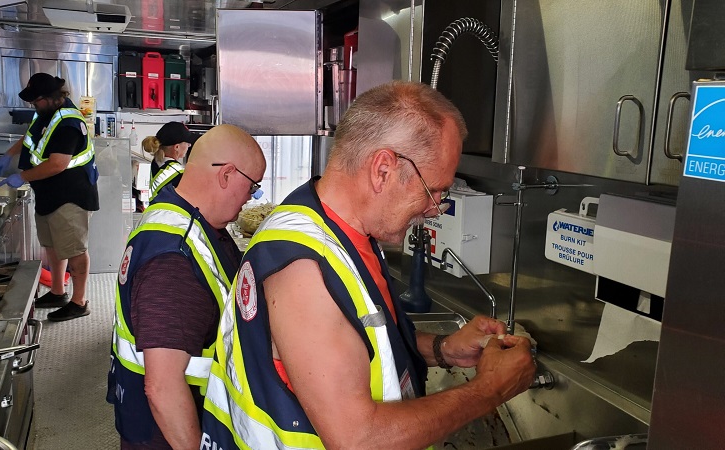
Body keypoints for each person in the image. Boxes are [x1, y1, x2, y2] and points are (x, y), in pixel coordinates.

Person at [200, 81, 536, 449]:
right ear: (383, 170)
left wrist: (443, 348)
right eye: (433, 189)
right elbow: (359, 439)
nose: (437, 206)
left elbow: (357, 352)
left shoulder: (341, 230)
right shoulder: (303, 271)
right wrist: (489, 390)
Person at [107, 124, 266, 449]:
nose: (252, 198)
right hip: (170, 433)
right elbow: (163, 387)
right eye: (253, 186)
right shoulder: (175, 261)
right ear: (227, 175)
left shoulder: (174, 213)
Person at [0, 73, 99, 322]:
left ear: (53, 98)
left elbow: (57, 164)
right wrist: (9, 154)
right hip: (48, 191)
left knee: (74, 248)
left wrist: (23, 177)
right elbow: (31, 135)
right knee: (52, 245)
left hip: (70, 194)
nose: (34, 105)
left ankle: (79, 301)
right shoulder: (46, 114)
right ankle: (57, 291)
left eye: (37, 101)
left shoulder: (69, 123)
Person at [142, 121, 198, 202]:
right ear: (177, 147)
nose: (189, 146)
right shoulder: (177, 172)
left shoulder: (156, 162)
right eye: (187, 143)